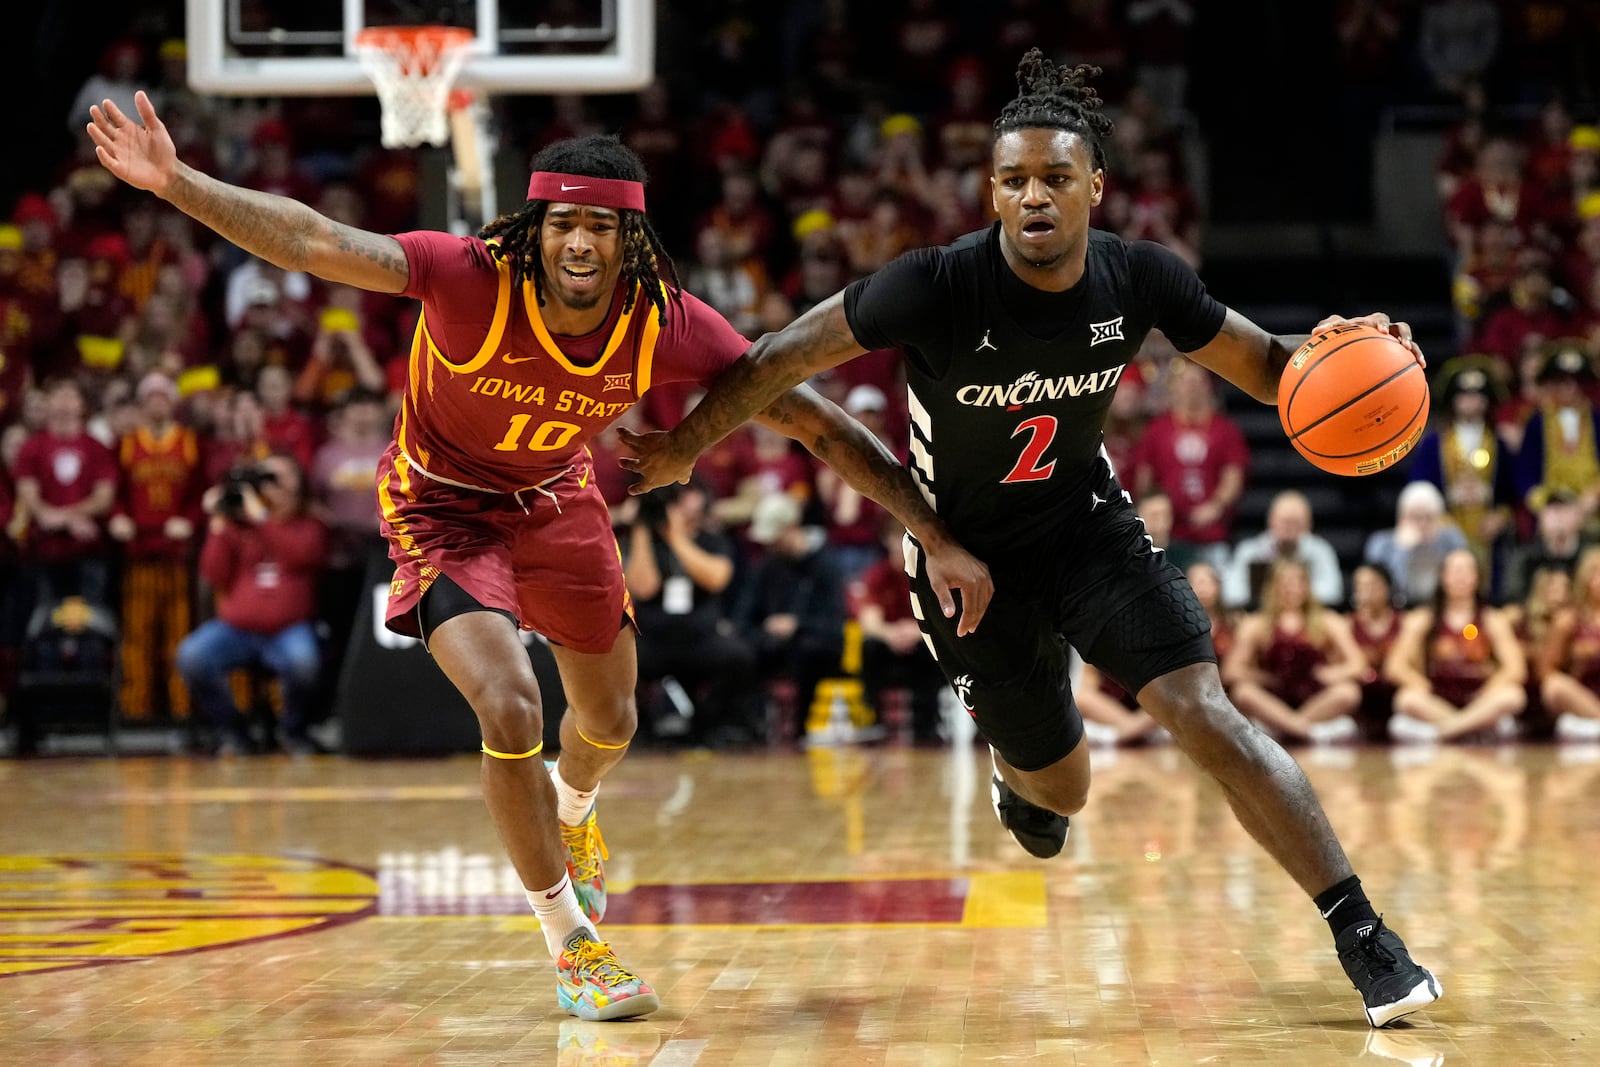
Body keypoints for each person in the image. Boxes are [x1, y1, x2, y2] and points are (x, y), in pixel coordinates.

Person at [88, 91, 991, 1022]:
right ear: (537, 225)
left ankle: (575, 802)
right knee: (512, 700)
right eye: (563, 221)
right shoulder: (467, 274)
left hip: (559, 502)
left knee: (609, 720)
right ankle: (572, 942)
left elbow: (808, 416)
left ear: (629, 241)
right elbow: (316, 240)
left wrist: (933, 532)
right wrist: (177, 182)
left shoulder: (662, 321)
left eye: (601, 226)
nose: (579, 243)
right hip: (440, 508)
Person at [619, 50, 1441, 1027]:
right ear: (990, 190)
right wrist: (680, 449)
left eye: (1055, 176)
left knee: (1203, 708)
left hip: (1084, 529)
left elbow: (1266, 368)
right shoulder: (930, 285)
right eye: (1013, 179)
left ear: (1094, 184)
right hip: (960, 558)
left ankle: (1363, 935)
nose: (1034, 196)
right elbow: (773, 363)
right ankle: (1024, 782)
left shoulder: (1140, 278)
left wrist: (1348, 352)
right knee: (1066, 791)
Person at [177, 452, 326, 754]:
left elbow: (301, 555)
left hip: (288, 629)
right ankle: (234, 731)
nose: (275, 484)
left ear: (299, 483)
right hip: (237, 630)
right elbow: (214, 573)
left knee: (303, 663)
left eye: (282, 476)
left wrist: (261, 518)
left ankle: (293, 731)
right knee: (192, 656)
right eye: (267, 477)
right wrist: (219, 520)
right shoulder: (238, 525)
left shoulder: (310, 523)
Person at [1384, 548, 1527, 742]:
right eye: (1454, 571)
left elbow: (1516, 669)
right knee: (1406, 699)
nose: (1460, 577)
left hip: (1480, 698)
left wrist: (1491, 688)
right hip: (1437, 697)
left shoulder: (1492, 620)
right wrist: (1420, 684)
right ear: (1443, 577)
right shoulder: (1423, 619)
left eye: (1466, 571)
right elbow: (1395, 666)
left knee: (1513, 696)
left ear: (1477, 578)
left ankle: (1444, 731)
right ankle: (1474, 728)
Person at [1222, 560, 1367, 743]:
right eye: (1285, 583)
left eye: (1298, 582)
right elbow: (1231, 671)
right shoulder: (1257, 623)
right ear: (1273, 587)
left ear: (1307, 587)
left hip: (1316, 697)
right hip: (1275, 696)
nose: (1292, 589)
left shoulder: (1328, 620)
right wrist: (1265, 678)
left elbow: (1358, 664)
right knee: (1243, 692)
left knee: (1349, 692)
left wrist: (1332, 674)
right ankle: (1304, 730)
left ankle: (1285, 728)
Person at [1223, 490, 1345, 609]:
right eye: (1283, 521)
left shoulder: (1321, 550)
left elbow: (1332, 591)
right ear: (1271, 521)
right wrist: (1274, 600)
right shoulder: (1249, 551)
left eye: (1295, 522)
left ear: (1308, 525)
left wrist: (1294, 599)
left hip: (1307, 617)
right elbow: (1232, 593)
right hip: (1259, 614)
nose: (1288, 527)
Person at [1362, 481, 1471, 607]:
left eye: (1428, 517)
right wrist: (1403, 550)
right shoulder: (1380, 543)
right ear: (1401, 517)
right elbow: (1387, 591)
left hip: (1440, 609)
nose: (1422, 525)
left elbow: (1466, 575)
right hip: (1398, 610)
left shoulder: (1449, 540)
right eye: (1415, 517)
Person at [1538, 546, 1600, 740]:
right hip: (1583, 696)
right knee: (1554, 686)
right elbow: (1546, 670)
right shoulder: (1569, 621)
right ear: (1587, 580)